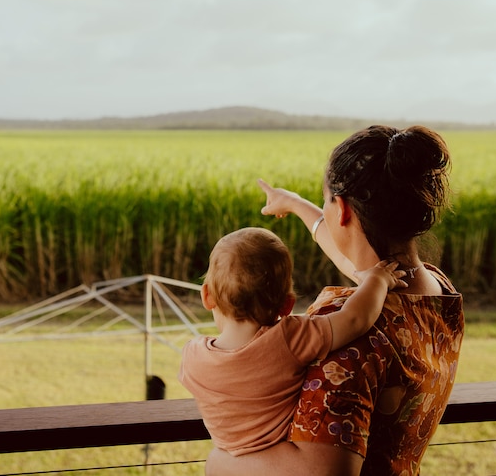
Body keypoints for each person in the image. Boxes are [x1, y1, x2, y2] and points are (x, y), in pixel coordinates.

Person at [205, 125, 465, 476]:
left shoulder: (348, 336)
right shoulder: (435, 292)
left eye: (326, 200)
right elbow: (353, 260)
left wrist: (219, 461)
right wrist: (297, 205)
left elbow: (321, 471)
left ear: (341, 209)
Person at [179, 226, 407, 457]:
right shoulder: (288, 338)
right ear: (287, 305)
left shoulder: (192, 357)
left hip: (232, 463)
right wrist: (377, 280)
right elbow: (355, 319)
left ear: (207, 296)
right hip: (285, 460)